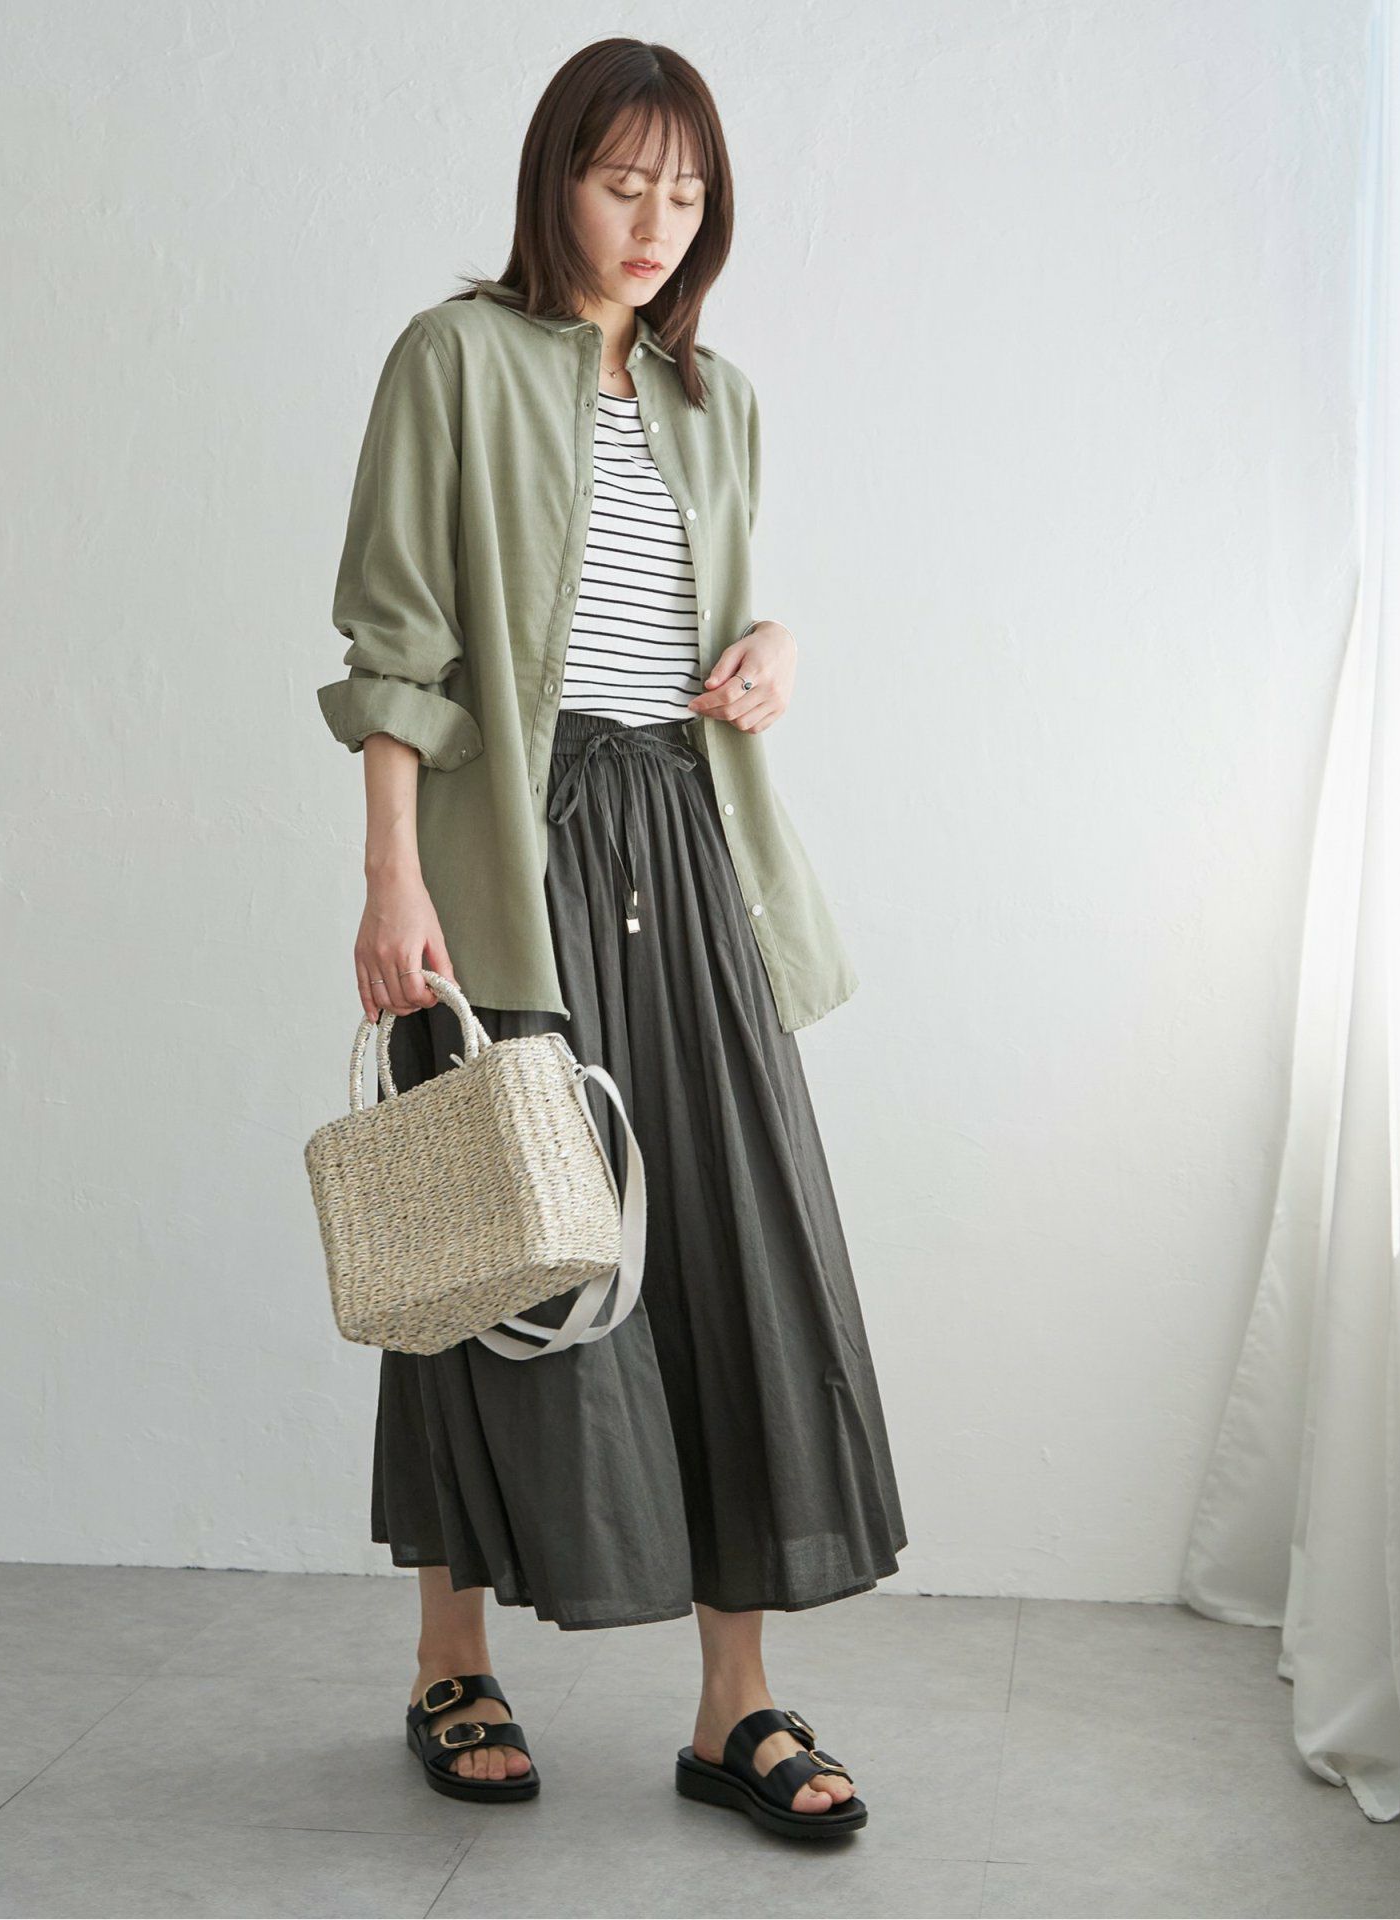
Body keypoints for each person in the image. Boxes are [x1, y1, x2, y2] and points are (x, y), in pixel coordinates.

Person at [318, 36, 908, 1839]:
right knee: (496, 1245)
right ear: (555, 180)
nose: (655, 220)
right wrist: (393, 879)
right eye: (622, 181)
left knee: (728, 1245)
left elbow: (706, 619)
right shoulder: (453, 357)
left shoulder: (716, 400)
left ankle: (736, 1706)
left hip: (689, 843)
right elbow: (398, 646)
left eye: (686, 190)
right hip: (518, 848)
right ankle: (451, 1658)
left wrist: (778, 648)